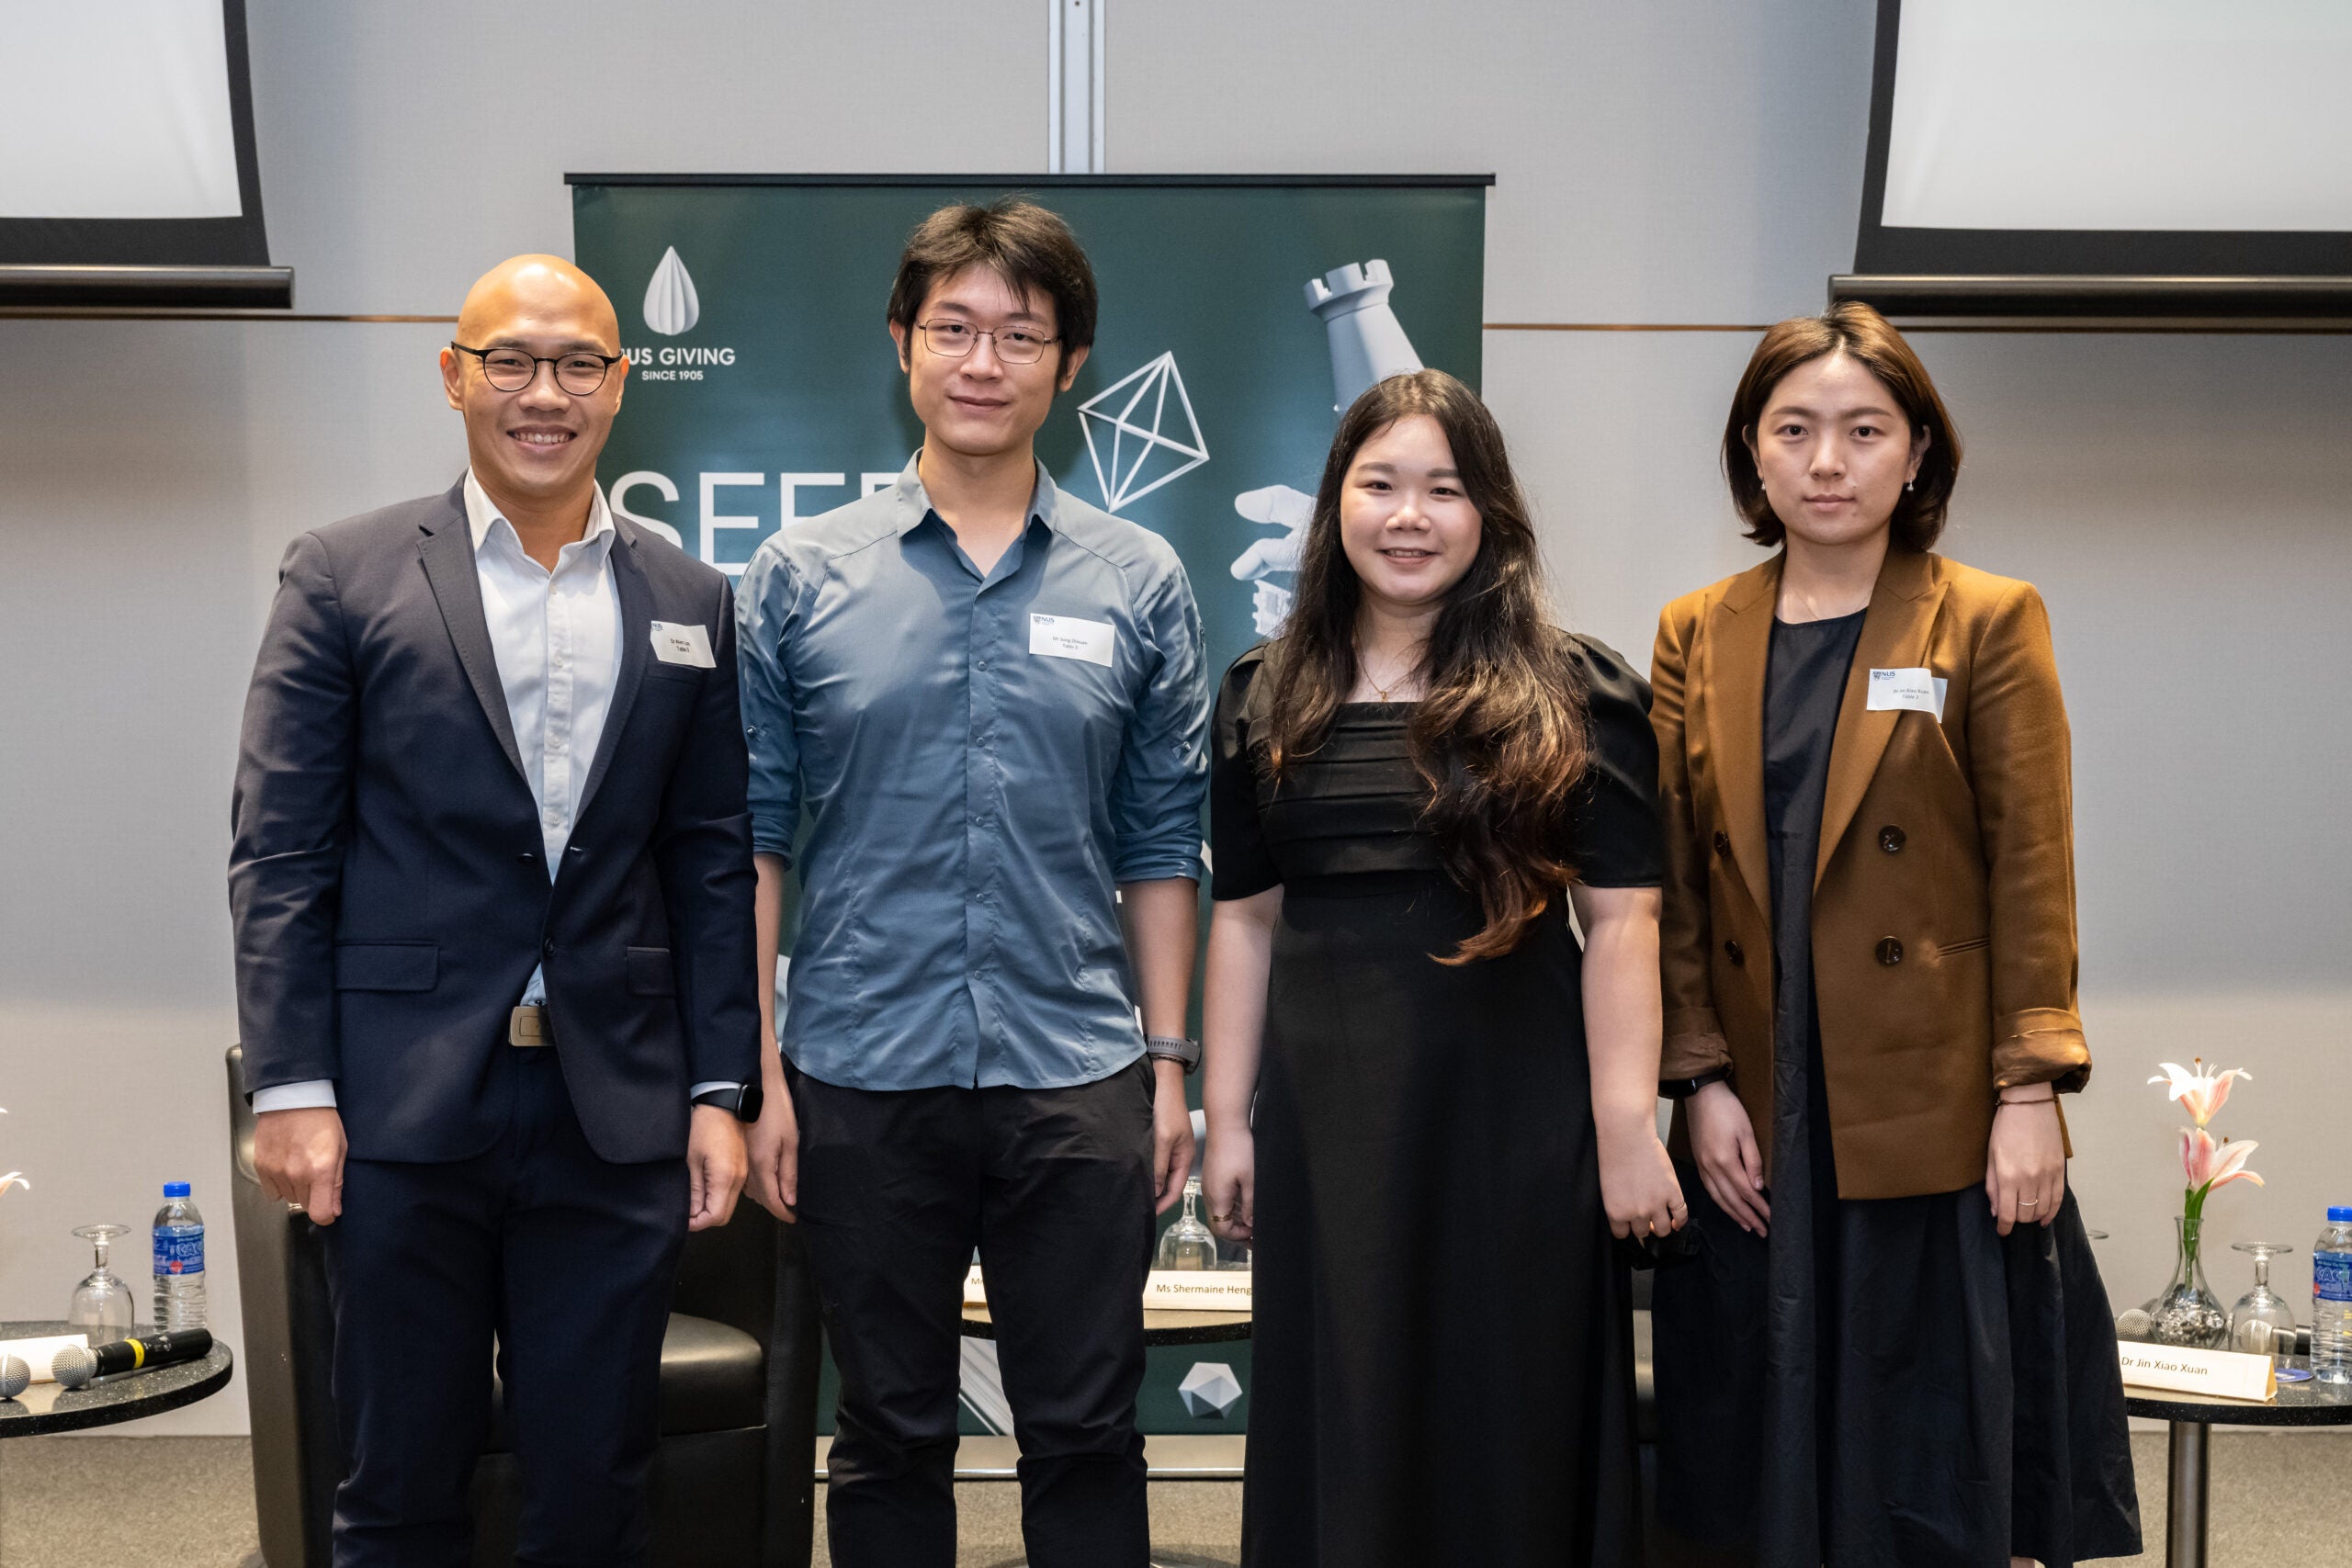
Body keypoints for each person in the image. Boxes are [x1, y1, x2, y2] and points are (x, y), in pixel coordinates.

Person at [230, 255, 762, 1567]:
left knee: (595, 1484)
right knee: (400, 1479)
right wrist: (290, 1083)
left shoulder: (688, 599)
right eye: (512, 361)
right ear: (455, 375)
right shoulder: (344, 575)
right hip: (399, 1110)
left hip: (612, 1108)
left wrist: (720, 1089)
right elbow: (280, 848)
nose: (546, 393)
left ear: (621, 385)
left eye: (579, 363)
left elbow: (706, 859)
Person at [733, 198, 1208, 1568]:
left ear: (1072, 366)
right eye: (953, 328)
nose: (983, 361)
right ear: (902, 345)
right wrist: (761, 1071)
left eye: (1020, 333)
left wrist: (1164, 1066)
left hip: (1078, 1068)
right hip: (860, 1070)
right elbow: (757, 841)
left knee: (1084, 1426)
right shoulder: (799, 576)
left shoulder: (1140, 580)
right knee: (885, 1427)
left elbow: (1161, 842)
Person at [1646, 302, 2140, 1567]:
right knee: (1753, 1457)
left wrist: (2028, 1087)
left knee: (1924, 1457)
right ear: (1750, 454)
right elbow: (1675, 887)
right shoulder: (1695, 631)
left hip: (1931, 1102)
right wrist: (1695, 1078)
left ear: (1917, 453)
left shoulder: (1985, 617)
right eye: (1794, 428)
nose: (1827, 461)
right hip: (1760, 1100)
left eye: (1864, 430)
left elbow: (2035, 864)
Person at [1198, 369, 1686, 1568]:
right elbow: (1245, 923)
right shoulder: (1264, 698)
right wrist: (1225, 1122)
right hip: (1328, 1118)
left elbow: (1625, 923)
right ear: (1336, 507)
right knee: (1346, 1407)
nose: (1408, 516)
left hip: (1514, 1119)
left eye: (1443, 489)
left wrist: (1627, 1125)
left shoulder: (1581, 695)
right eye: (1380, 486)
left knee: (1506, 1412)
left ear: (1490, 518)